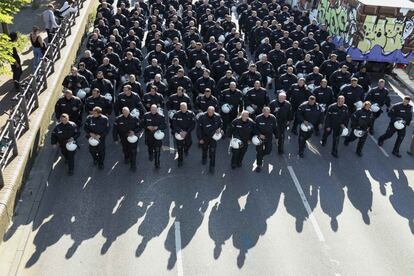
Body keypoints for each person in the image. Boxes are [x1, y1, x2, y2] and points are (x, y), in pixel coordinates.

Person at [113, 107, 141, 171]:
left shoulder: (134, 118)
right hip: (123, 138)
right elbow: (115, 130)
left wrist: (134, 131)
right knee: (125, 150)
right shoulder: (118, 119)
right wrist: (115, 139)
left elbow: (139, 127)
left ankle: (133, 165)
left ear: (129, 112)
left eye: (126, 112)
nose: (125, 114)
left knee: (133, 151)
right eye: (124, 112)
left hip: (133, 138)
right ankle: (126, 157)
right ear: (122, 112)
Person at [196, 106, 223, 173]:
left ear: (214, 111)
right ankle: (204, 158)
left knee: (213, 153)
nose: (210, 113)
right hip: (204, 137)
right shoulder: (202, 117)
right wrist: (200, 138)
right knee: (204, 149)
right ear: (207, 111)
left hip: (213, 138)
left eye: (212, 112)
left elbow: (221, 124)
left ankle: (212, 167)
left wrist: (219, 128)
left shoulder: (217, 116)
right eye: (209, 112)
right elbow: (198, 129)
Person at [142, 104, 167, 169]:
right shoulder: (146, 115)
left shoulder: (161, 116)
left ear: (157, 110)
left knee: (157, 150)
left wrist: (157, 127)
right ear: (150, 109)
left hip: (158, 136)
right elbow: (141, 124)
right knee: (150, 147)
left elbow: (165, 126)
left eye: (154, 110)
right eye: (152, 109)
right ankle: (150, 154)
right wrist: (147, 127)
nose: (153, 111)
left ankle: (157, 163)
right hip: (149, 135)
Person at [171, 102, 196, 167]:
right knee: (179, 147)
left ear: (187, 107)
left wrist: (187, 132)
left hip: (187, 132)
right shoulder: (176, 114)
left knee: (189, 143)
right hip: (179, 133)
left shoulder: (191, 114)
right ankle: (180, 160)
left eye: (184, 107)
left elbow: (193, 125)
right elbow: (174, 124)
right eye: (182, 107)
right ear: (180, 108)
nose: (183, 109)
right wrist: (180, 131)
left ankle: (186, 149)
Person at [254, 107, 278, 172]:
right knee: (259, 151)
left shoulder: (273, 118)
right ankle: (259, 165)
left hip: (269, 137)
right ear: (262, 111)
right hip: (259, 138)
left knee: (268, 151)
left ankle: (260, 156)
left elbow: (275, 128)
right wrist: (259, 134)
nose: (266, 113)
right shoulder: (258, 118)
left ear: (270, 112)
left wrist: (276, 137)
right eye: (265, 112)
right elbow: (255, 128)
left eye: (268, 112)